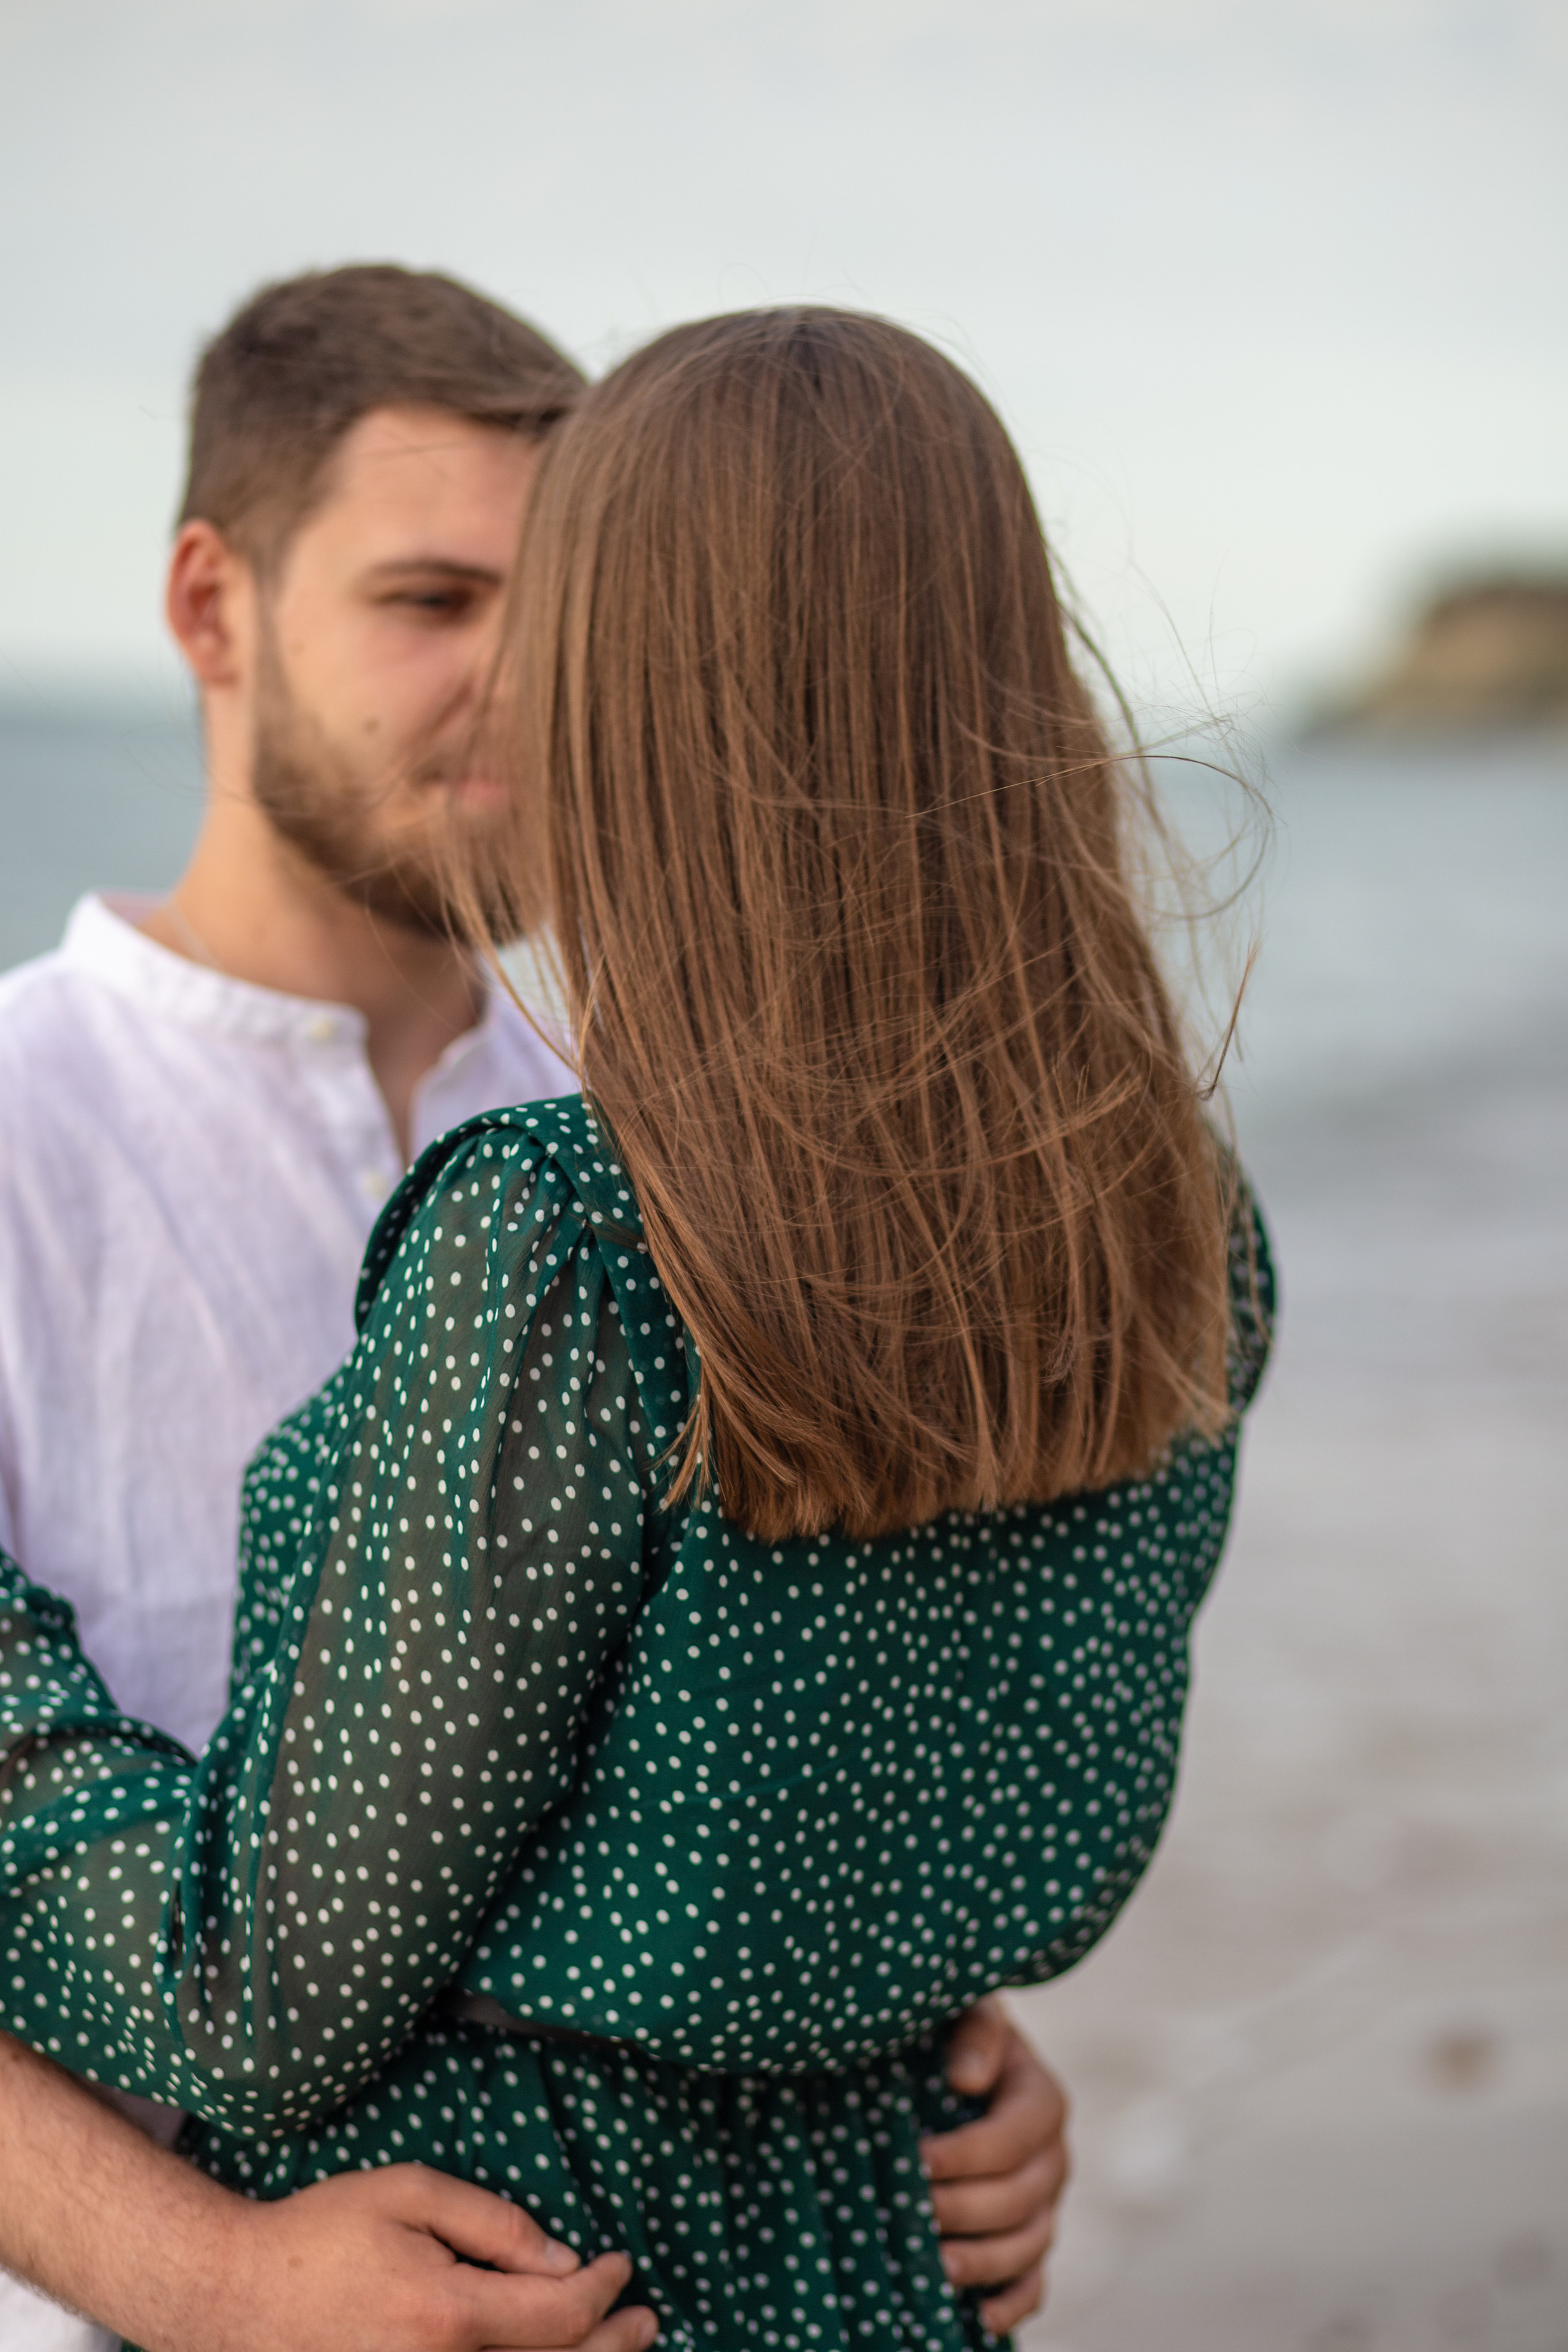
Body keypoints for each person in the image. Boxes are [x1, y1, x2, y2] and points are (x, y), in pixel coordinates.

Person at [0, 305, 1266, 2350]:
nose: (512, 679)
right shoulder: (1146, 1205)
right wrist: (201, 2274)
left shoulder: (614, 1190)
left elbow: (734, 1778)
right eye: (433, 600)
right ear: (208, 605)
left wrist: (917, 2030)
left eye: (556, 600)